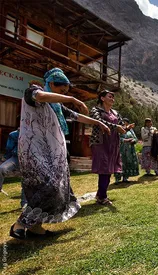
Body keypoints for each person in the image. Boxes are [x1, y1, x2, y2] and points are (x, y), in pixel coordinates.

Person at [10, 68, 110, 240]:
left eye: (66, 91)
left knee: (56, 188)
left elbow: (76, 116)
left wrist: (98, 123)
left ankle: (36, 228)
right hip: (34, 150)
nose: (63, 93)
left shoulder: (56, 105)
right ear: (50, 83)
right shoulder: (33, 92)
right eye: (61, 89)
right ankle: (20, 224)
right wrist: (72, 98)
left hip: (52, 151)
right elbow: (41, 97)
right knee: (46, 186)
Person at [90, 90, 132, 205]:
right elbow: (98, 121)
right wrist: (116, 126)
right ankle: (102, 196)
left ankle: (100, 194)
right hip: (100, 142)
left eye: (113, 97)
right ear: (102, 98)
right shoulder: (96, 110)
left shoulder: (115, 112)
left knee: (108, 169)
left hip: (113, 143)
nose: (112, 99)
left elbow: (121, 126)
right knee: (104, 168)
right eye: (110, 96)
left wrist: (126, 128)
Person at [0, 126, 27, 207]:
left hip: (29, 159)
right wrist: (6, 158)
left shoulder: (36, 133)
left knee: (26, 179)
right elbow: (9, 148)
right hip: (16, 158)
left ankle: (24, 203)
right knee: (1, 168)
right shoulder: (14, 134)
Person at [115, 118, 140, 183]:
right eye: (123, 122)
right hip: (121, 149)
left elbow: (135, 138)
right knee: (120, 162)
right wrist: (125, 140)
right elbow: (116, 138)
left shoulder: (130, 130)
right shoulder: (119, 129)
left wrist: (133, 140)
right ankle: (117, 179)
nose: (125, 123)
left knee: (128, 162)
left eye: (126, 122)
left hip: (129, 149)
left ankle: (125, 178)